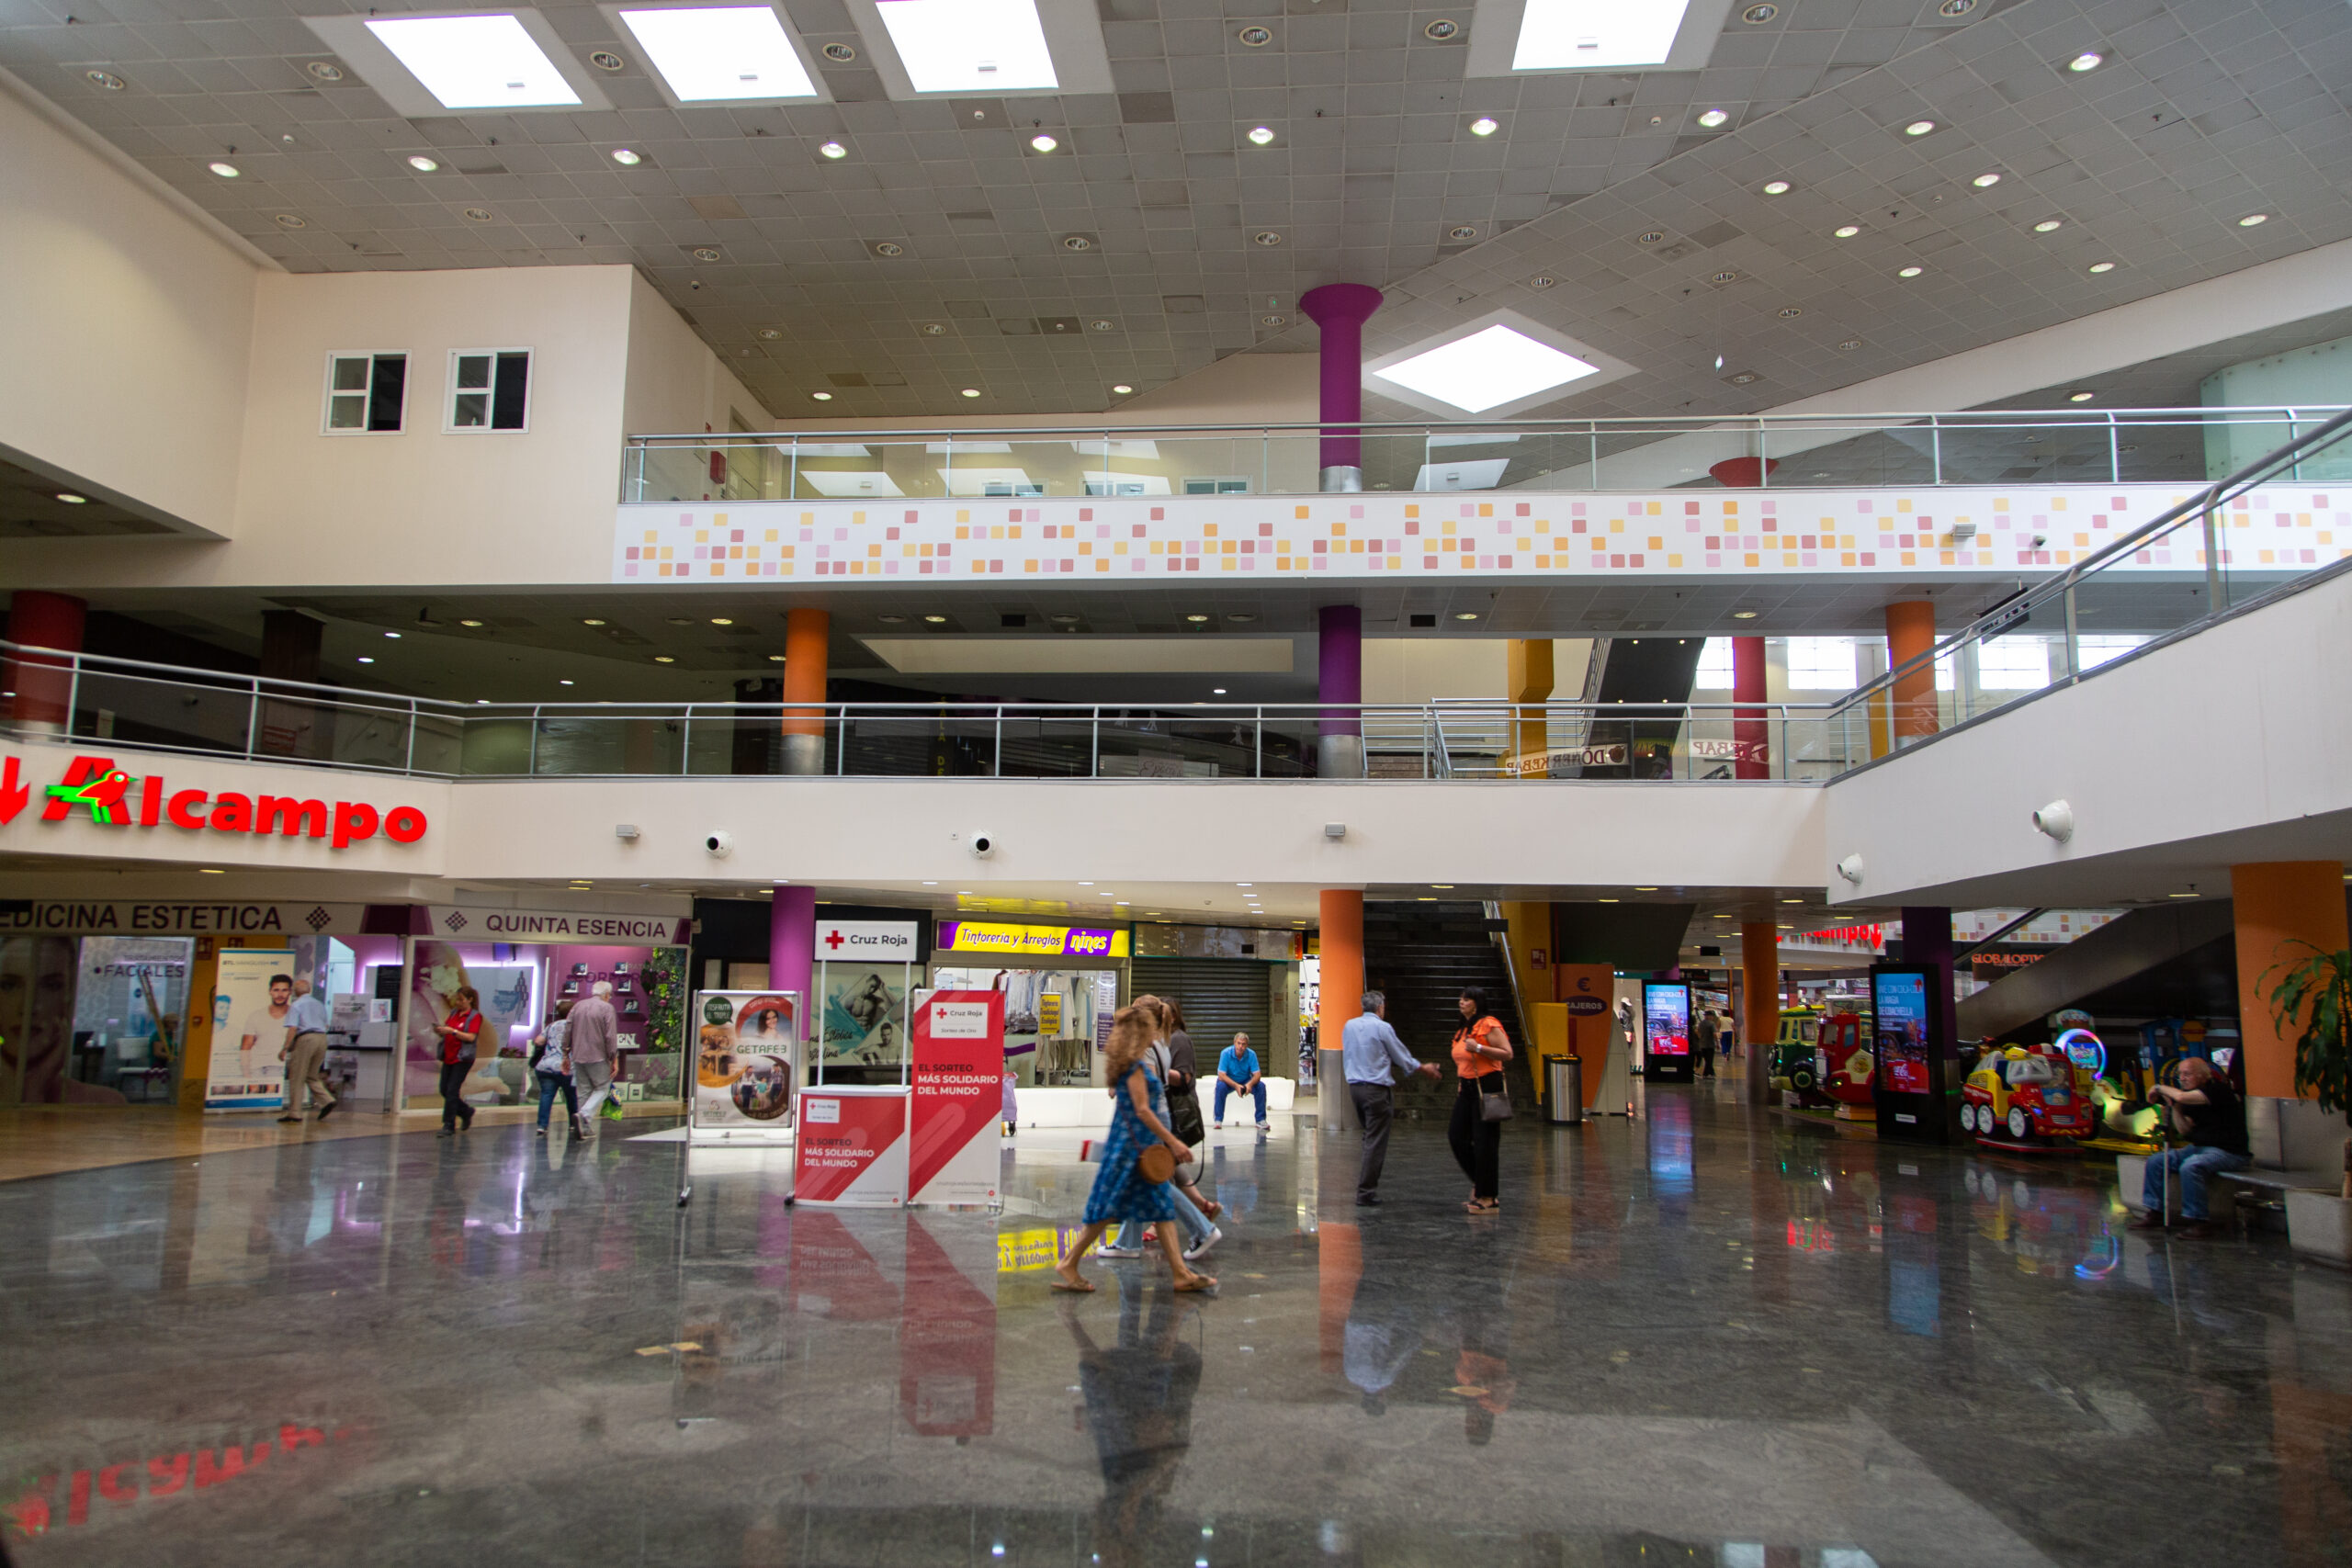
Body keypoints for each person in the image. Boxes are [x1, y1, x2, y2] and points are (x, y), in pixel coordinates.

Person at [1053, 1006, 1215, 1293]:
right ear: (1139, 1032)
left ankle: (1180, 1273)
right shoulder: (1135, 1068)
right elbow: (1142, 1110)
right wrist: (1174, 1141)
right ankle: (1068, 1262)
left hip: (1134, 1147)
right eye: (1149, 1027)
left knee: (1159, 1209)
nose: (1155, 1031)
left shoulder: (1130, 1064)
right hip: (1132, 1151)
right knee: (1110, 1211)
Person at [1102, 997, 1222, 1263]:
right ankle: (1128, 1242)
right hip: (1158, 1117)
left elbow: (1146, 1087)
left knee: (1155, 1182)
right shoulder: (1161, 1044)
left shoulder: (1148, 1047)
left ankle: (1203, 1229)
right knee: (1144, 1180)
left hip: (1149, 1120)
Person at [2133, 1056, 2251, 1237]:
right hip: (2200, 1148)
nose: (2182, 1078)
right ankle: (2155, 1212)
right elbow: (2185, 1130)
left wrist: (2159, 1088)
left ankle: (2199, 1221)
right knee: (2157, 1161)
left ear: (2203, 1075)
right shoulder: (2188, 1098)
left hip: (2229, 1151)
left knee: (2191, 1166)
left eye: (2187, 1074)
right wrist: (2175, 1107)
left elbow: (2181, 1096)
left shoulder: (2217, 1090)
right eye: (2180, 1074)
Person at [1341, 990, 1439, 1207]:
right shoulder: (1382, 1028)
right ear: (1380, 1008)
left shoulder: (1349, 1026)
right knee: (1375, 1141)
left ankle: (1365, 1187)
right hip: (1376, 1090)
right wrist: (1422, 1067)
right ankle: (1365, 1192)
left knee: (1369, 1136)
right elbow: (1399, 1054)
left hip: (1355, 1089)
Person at [1450, 987, 1514, 1214]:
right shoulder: (1463, 1028)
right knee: (1457, 1137)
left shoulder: (1488, 1024)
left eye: (1467, 999)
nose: (1462, 1002)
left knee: (1485, 1142)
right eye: (1461, 999)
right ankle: (1481, 1183)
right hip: (1467, 1087)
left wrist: (1478, 1047)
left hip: (1486, 1086)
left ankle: (1489, 1197)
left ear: (1477, 1003)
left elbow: (1507, 1053)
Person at [277, 973, 336, 1122]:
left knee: (297, 1076)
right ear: (309, 990)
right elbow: (326, 1025)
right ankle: (327, 1100)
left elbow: (292, 1028)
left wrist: (285, 1048)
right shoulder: (319, 1004)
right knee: (311, 1075)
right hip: (322, 1039)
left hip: (306, 1039)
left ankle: (295, 1113)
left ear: (295, 992)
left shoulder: (296, 1005)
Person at [566, 980, 620, 1138]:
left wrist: (565, 1052)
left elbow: (568, 1029)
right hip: (598, 1055)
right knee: (602, 1088)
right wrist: (613, 1058)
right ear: (607, 995)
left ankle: (584, 1127)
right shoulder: (607, 1008)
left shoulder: (578, 1006)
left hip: (578, 1055)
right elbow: (610, 1036)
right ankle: (584, 1115)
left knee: (583, 1091)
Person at [431, 986, 482, 1136]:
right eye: (457, 1000)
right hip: (449, 1056)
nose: (458, 1003)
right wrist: (441, 1031)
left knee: (452, 1090)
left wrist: (453, 1031)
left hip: (462, 1058)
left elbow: (471, 1037)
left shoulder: (474, 1017)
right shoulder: (454, 1013)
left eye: (461, 1000)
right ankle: (466, 1111)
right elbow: (447, 1030)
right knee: (444, 1089)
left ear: (470, 1000)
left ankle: (449, 1124)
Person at [530, 998, 576, 1137]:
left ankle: (542, 1126)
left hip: (546, 1066)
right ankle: (573, 1124)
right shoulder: (575, 1027)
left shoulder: (551, 1026)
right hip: (566, 1067)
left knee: (546, 1095)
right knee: (571, 1096)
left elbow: (538, 1041)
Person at [1214, 1032, 1269, 1130]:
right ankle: (1218, 1120)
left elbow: (1257, 1075)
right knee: (1220, 1087)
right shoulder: (1225, 1053)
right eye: (1238, 1043)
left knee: (1261, 1086)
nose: (1240, 1046)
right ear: (1234, 1043)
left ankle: (1260, 1120)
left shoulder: (1251, 1054)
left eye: (1243, 1044)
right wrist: (1236, 1086)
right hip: (1229, 1081)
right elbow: (1221, 1075)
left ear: (1247, 1045)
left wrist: (1249, 1085)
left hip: (1245, 1080)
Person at [1692, 1007, 1720, 1080]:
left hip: (1702, 1045)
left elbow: (1698, 1032)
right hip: (1710, 1045)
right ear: (1710, 1016)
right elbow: (1714, 1034)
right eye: (1712, 1016)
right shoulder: (1712, 1024)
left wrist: (1701, 1038)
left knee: (1707, 1060)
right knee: (1709, 1060)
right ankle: (1706, 1074)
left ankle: (1712, 1073)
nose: (1712, 1017)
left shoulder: (1701, 1024)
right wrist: (1717, 1043)